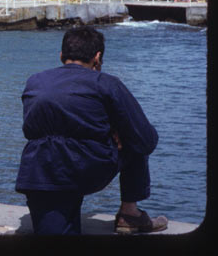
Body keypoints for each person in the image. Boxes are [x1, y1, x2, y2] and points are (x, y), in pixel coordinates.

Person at [15, 26, 169, 235]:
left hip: (40, 173)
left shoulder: (35, 81)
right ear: (97, 58)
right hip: (86, 168)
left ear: (61, 56)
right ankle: (129, 214)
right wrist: (116, 130)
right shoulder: (106, 83)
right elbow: (146, 140)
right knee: (135, 137)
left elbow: (39, 126)